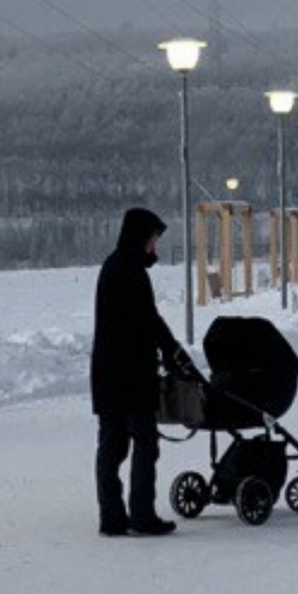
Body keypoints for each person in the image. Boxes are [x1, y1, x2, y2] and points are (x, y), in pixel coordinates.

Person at [91, 208, 181, 538]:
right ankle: (142, 515)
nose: (155, 245)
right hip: (132, 375)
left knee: (111, 447)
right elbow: (148, 320)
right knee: (145, 444)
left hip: (107, 375)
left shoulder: (113, 266)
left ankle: (112, 517)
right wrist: (173, 352)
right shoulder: (130, 271)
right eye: (154, 238)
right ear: (141, 236)